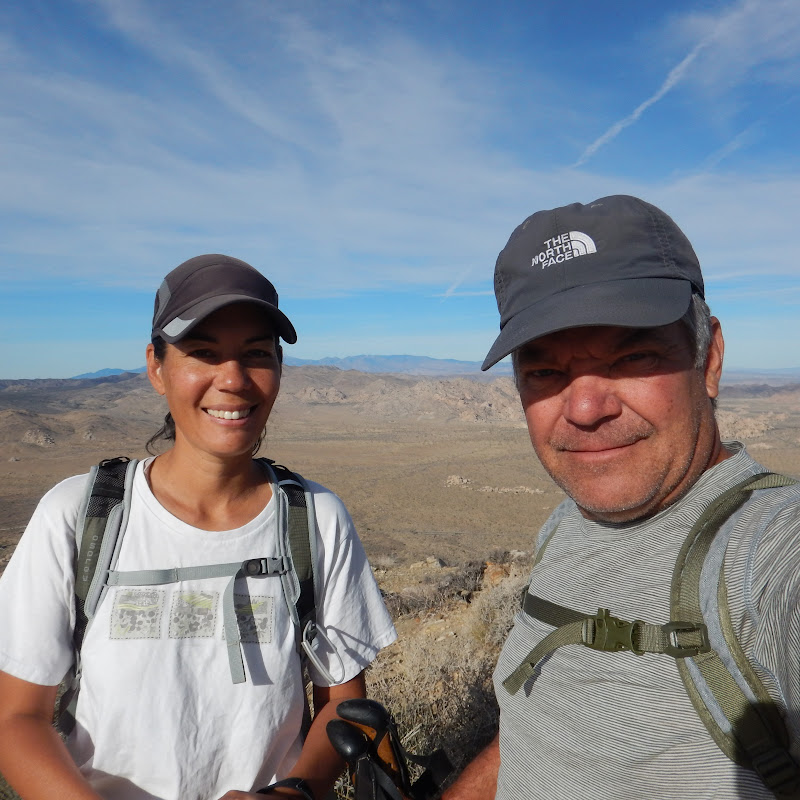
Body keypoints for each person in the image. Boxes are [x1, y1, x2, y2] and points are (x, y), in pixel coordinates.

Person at [0, 254, 397, 800]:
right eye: (203, 354)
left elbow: (344, 705)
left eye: (256, 355)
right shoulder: (77, 515)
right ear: (156, 366)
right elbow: (18, 718)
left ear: (279, 370)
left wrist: (294, 792)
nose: (232, 380)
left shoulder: (315, 519)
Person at [443, 196, 800, 799]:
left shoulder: (770, 551)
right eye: (544, 372)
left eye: (634, 355)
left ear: (709, 358)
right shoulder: (568, 524)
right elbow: (538, 724)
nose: (584, 409)